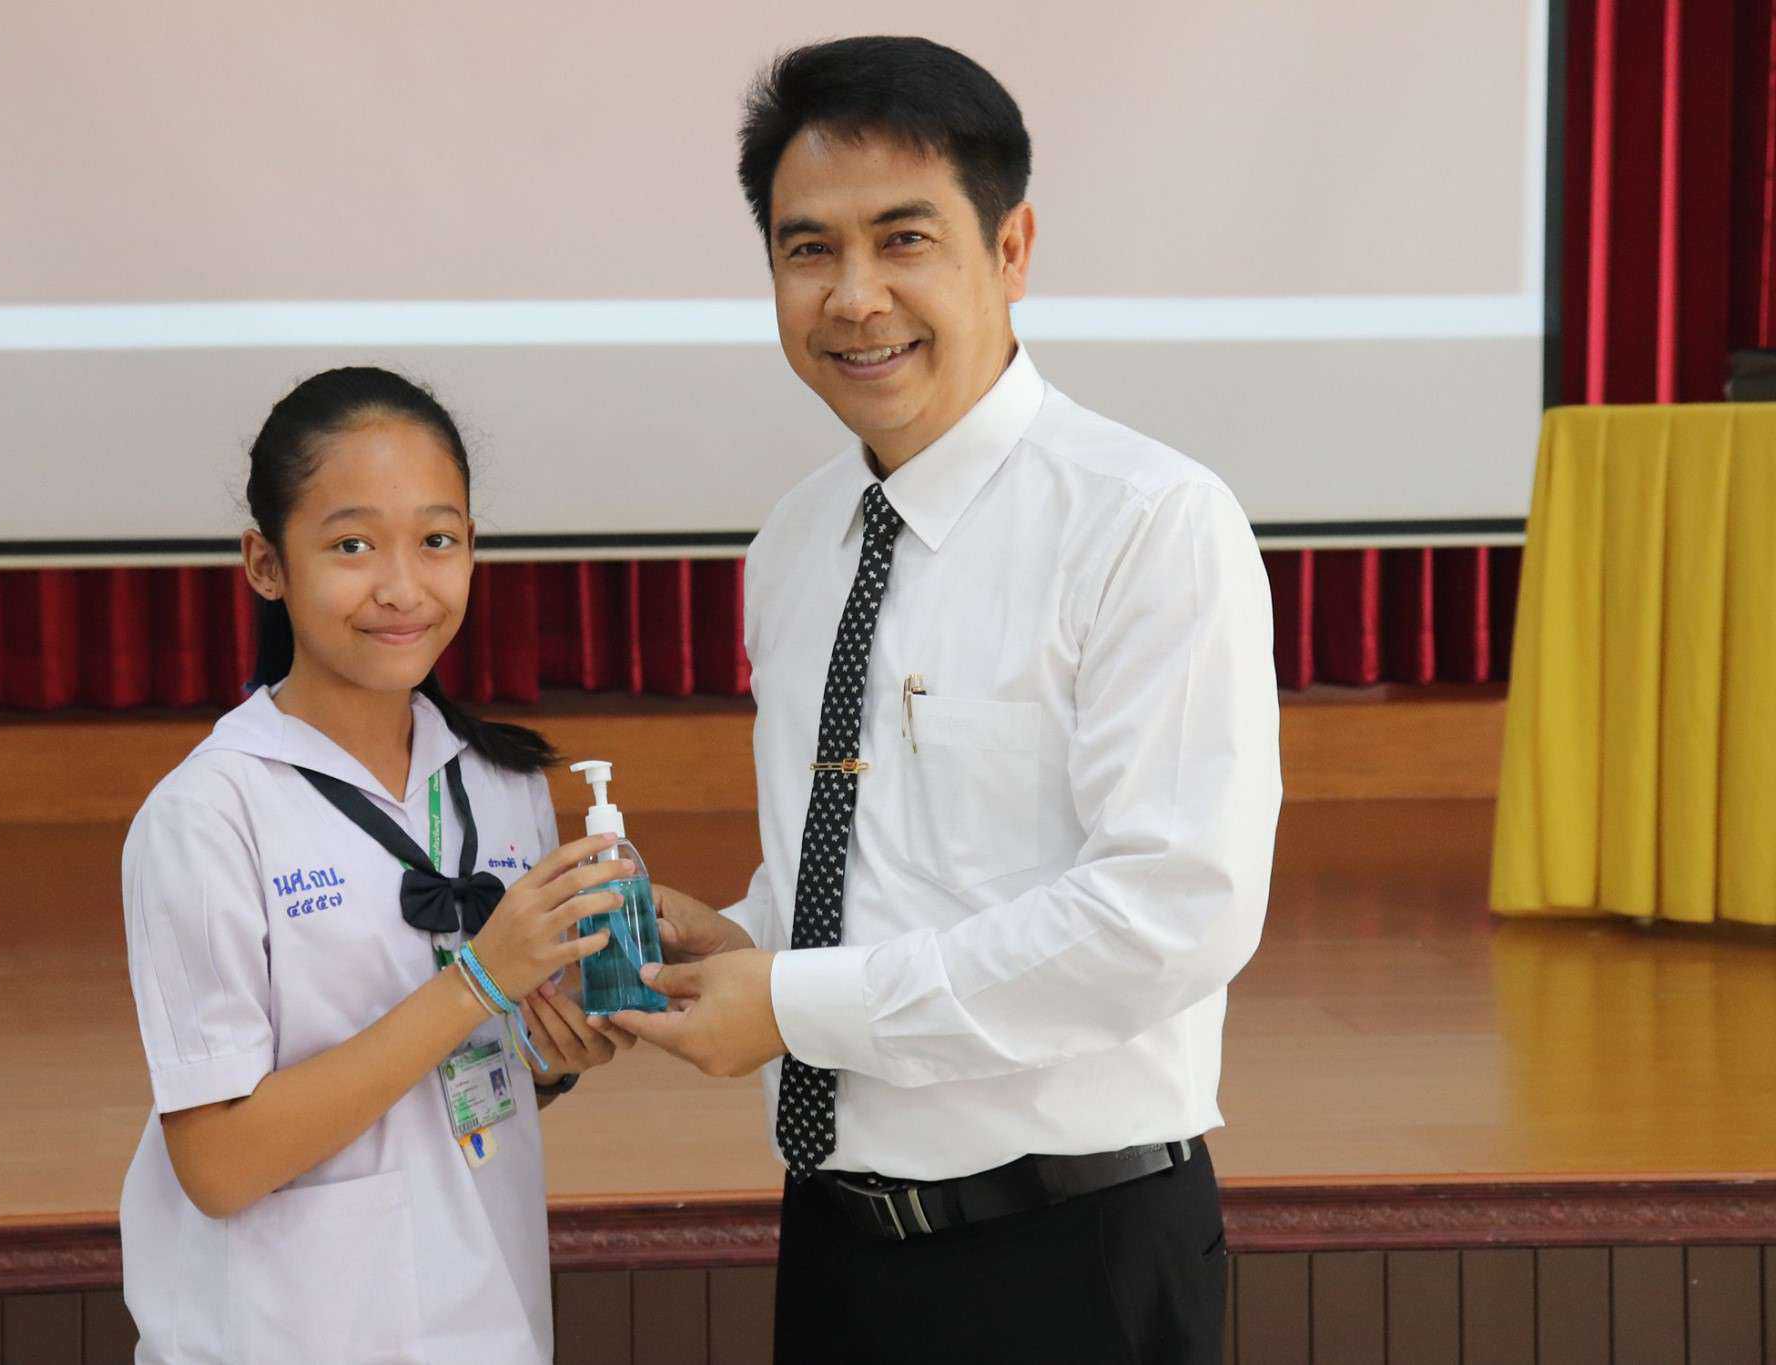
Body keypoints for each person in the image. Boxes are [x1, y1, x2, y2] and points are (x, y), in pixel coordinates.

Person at [614, 37, 1282, 1363]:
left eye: (903, 239)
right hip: (835, 1243)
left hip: (1072, 1254)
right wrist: (733, 938)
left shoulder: (1147, 520)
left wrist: (797, 1006)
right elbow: (872, 869)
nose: (854, 297)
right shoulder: (796, 542)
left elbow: (1170, 911)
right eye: (808, 250)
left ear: (1010, 248)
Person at [119, 366, 635, 1363]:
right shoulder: (209, 813)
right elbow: (219, 1165)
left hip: (488, 1321)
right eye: (352, 546)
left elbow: (471, 1079)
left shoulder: (504, 783)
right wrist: (477, 980)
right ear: (266, 564)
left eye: (437, 541)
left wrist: (550, 1055)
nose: (402, 587)